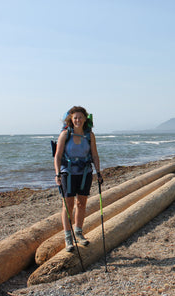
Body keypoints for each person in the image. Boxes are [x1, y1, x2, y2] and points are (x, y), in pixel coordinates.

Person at [54, 106, 103, 252]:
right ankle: (68, 237)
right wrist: (57, 174)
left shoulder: (89, 135)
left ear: (85, 119)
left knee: (81, 203)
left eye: (80, 117)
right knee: (68, 206)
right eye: (75, 117)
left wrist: (99, 172)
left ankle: (79, 233)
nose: (78, 120)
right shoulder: (65, 134)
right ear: (71, 119)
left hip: (85, 173)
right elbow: (57, 155)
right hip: (67, 174)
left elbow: (94, 155)